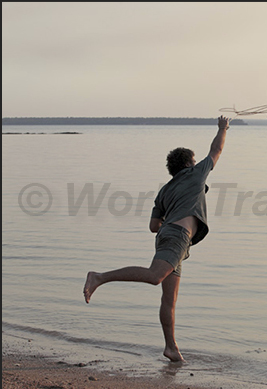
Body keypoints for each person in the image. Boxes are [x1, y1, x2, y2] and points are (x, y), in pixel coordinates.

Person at [83, 116, 230, 362]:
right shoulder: (196, 174)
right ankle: (100, 277)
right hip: (177, 237)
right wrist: (223, 128)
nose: (197, 165)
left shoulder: (164, 190)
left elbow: (153, 226)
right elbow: (217, 149)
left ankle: (171, 348)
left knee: (169, 299)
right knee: (154, 277)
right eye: (194, 162)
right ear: (189, 164)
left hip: (170, 239)